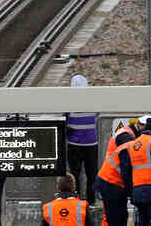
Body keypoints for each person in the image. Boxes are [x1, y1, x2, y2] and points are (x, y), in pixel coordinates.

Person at [66, 75, 98, 206]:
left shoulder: (67, 101)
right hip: (91, 143)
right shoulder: (94, 101)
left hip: (74, 144)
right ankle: (91, 201)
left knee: (75, 174)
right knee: (92, 174)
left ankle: (76, 199)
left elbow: (65, 118)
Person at [95, 136, 134, 226]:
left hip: (111, 183)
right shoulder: (127, 150)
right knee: (115, 218)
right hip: (110, 183)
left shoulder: (127, 147)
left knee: (121, 216)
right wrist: (131, 193)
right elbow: (126, 174)